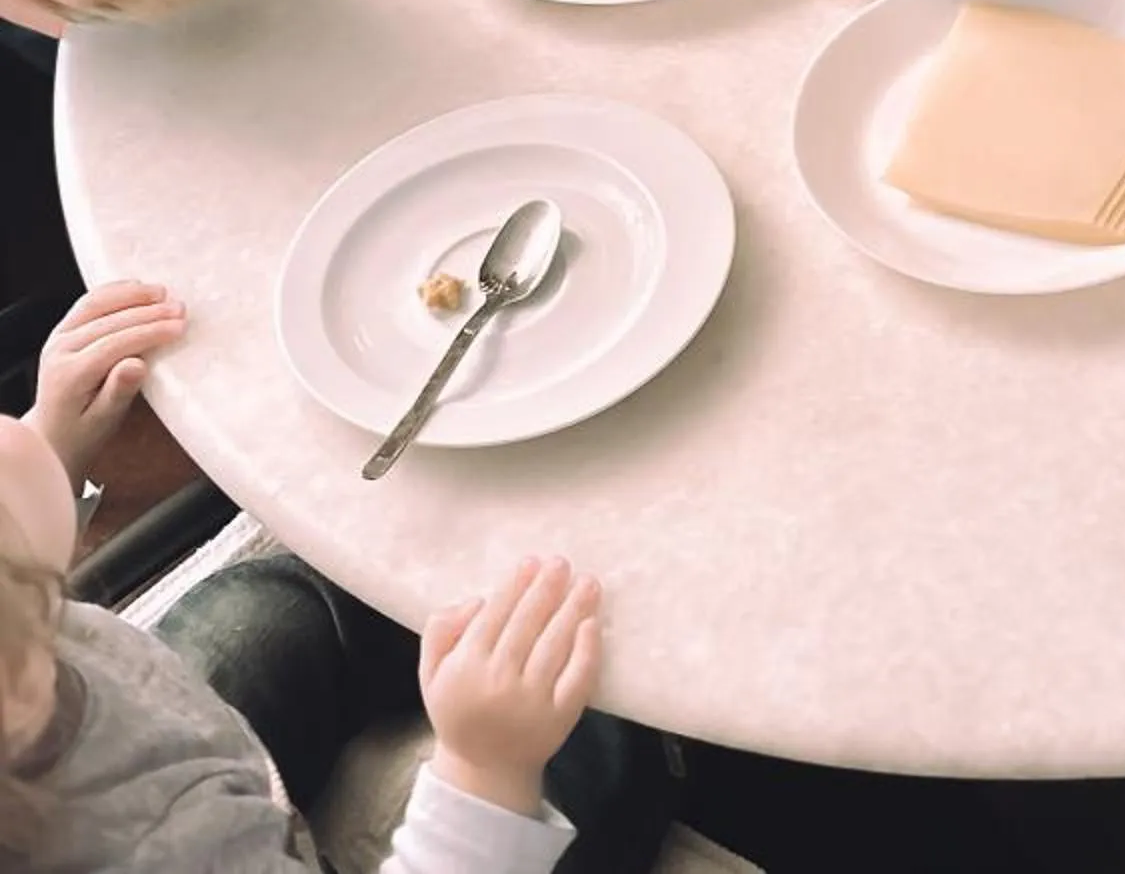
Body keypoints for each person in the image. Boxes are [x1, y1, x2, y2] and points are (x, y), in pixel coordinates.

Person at [0, 282, 673, 869]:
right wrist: (486, 771)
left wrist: (54, 458)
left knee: (260, 604)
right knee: (598, 750)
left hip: (156, 734)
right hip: (212, 840)